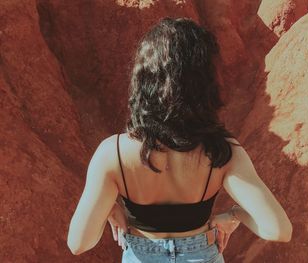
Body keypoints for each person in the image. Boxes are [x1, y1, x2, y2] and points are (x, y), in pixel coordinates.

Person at [67, 17, 293, 262]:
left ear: (144, 80)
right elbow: (278, 229)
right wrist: (235, 214)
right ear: (203, 83)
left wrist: (110, 209)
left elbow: (79, 243)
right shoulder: (221, 151)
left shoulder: (113, 153)